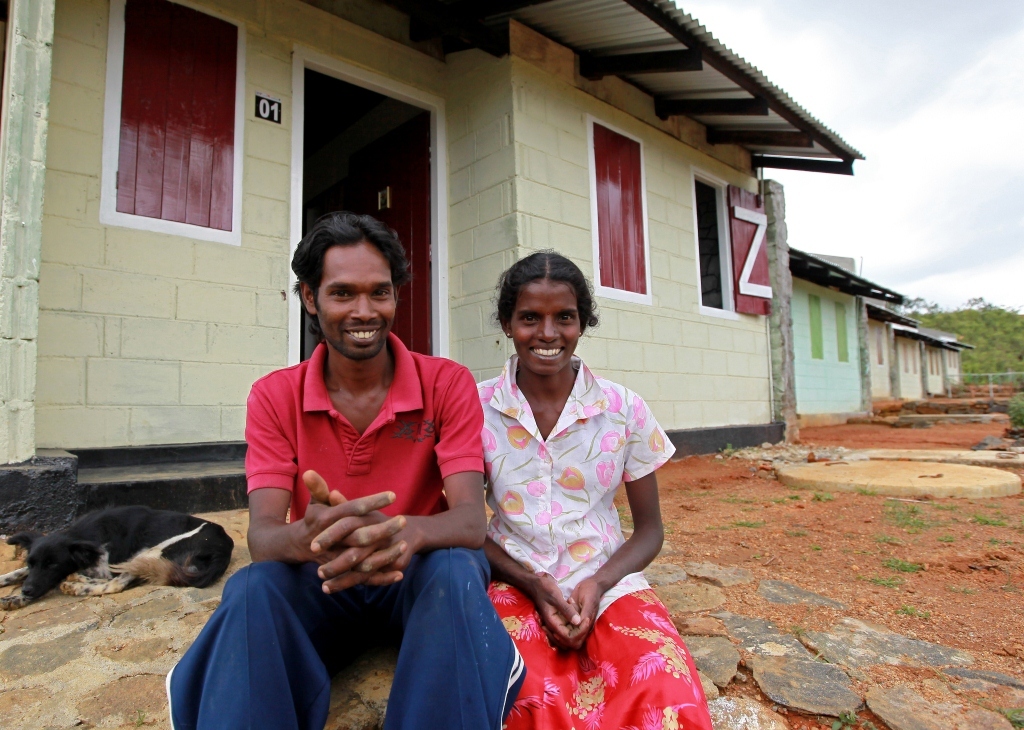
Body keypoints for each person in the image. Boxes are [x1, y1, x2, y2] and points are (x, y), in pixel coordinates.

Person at [167, 212, 524, 730]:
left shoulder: (445, 383)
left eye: (380, 292)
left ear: (396, 297)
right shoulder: (275, 396)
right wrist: (309, 535)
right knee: (252, 590)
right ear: (310, 299)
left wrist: (404, 533)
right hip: (322, 575)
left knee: (454, 571)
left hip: (416, 576)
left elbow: (470, 522)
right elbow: (264, 539)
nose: (364, 311)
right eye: (342, 293)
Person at [479, 251, 713, 730]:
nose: (547, 334)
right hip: (512, 581)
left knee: (666, 692)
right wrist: (532, 582)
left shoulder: (623, 409)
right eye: (529, 318)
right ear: (506, 323)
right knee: (528, 700)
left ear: (582, 323)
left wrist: (599, 582)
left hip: (609, 582)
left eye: (564, 317)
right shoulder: (474, 408)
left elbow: (649, 532)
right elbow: (461, 523)